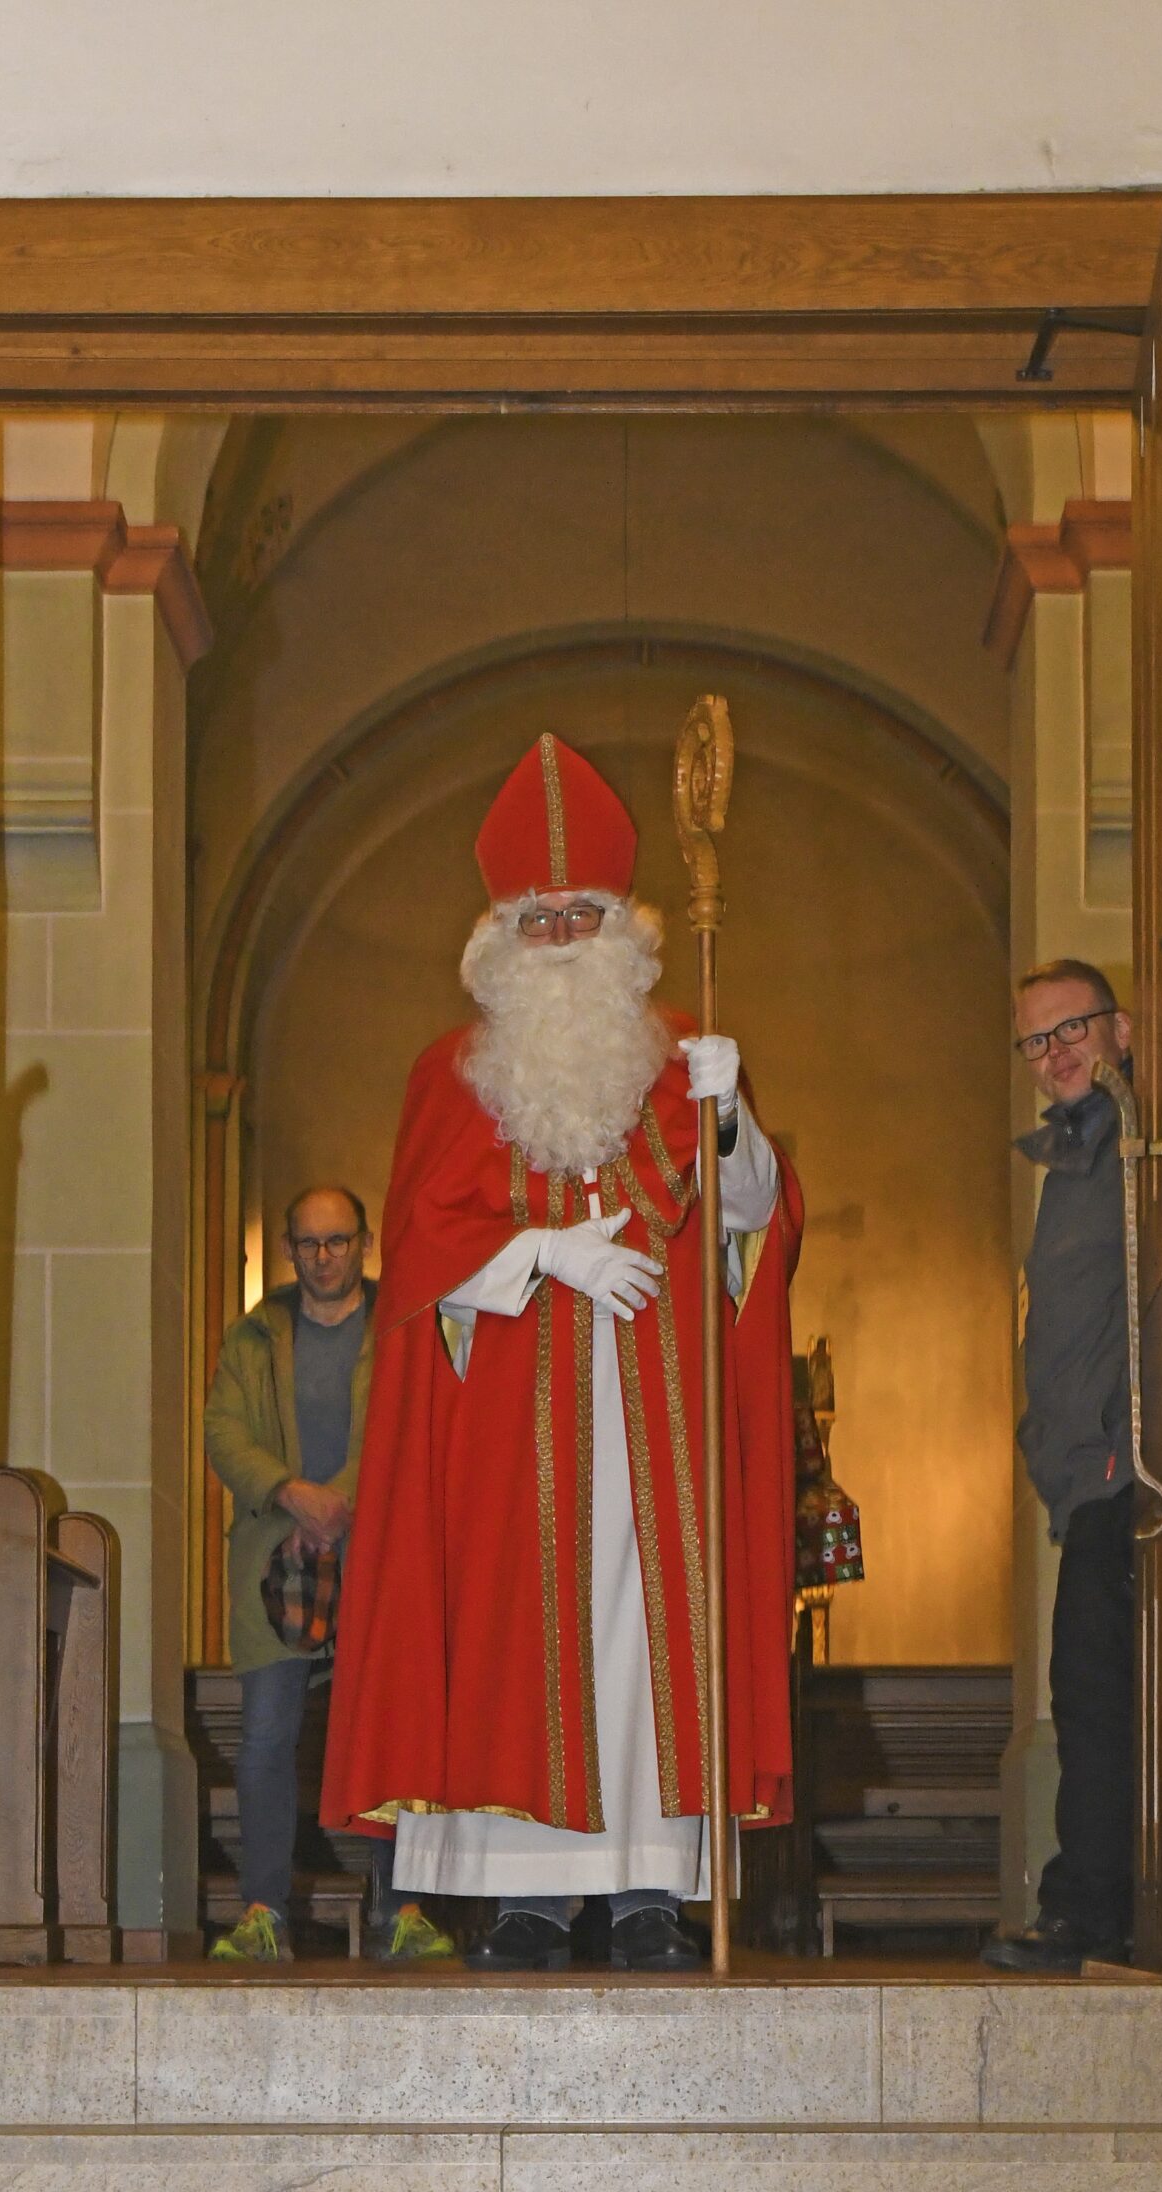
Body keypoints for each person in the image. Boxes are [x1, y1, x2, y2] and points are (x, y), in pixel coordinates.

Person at [321, 733, 804, 1973]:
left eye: (578, 912)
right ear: (496, 934)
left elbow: (751, 1221)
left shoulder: (681, 1059)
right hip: (504, 1431)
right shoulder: (454, 1074)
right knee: (504, 1642)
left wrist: (733, 1115)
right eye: (535, 918)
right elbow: (423, 1255)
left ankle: (650, 1891)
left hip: (656, 1426)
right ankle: (525, 1901)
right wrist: (541, 1255)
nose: (557, 936)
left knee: (644, 1649)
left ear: (623, 928)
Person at [202, 1184, 456, 1967]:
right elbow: (223, 1430)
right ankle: (263, 1911)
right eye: (309, 1244)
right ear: (288, 1249)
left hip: (380, 1555)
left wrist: (342, 1497)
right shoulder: (252, 1336)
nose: (324, 1257)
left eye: (338, 1241)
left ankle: (403, 1907)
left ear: (365, 1242)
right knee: (267, 1739)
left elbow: (419, 1418)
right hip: (278, 1561)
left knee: (391, 1732)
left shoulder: (403, 1325)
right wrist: (292, 1492)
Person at [984, 959, 1139, 1973]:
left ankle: (1087, 1910)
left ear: (1119, 1030)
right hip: (1084, 1475)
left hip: (1136, 1472)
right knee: (1085, 1687)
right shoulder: (1067, 1163)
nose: (1055, 1055)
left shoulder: (1145, 1148)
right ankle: (1087, 1903)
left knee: (1093, 1687)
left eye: (1071, 1029)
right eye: (1037, 1041)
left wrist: (1141, 1428)